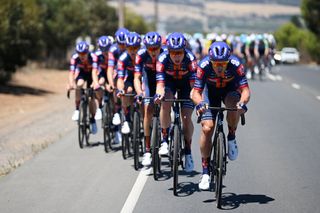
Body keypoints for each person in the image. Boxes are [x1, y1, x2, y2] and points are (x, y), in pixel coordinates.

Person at [191, 41, 250, 190]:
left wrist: (242, 103)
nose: (219, 67)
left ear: (228, 61)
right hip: (210, 93)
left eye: (222, 64)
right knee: (207, 128)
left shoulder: (236, 64)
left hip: (230, 91)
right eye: (216, 63)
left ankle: (231, 136)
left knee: (233, 105)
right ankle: (205, 172)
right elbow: (196, 92)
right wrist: (199, 104)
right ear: (211, 61)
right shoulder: (203, 66)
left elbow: (245, 91)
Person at [154, 32, 197, 172]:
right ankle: (165, 140)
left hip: (186, 85)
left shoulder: (191, 59)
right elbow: (160, 84)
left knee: (186, 117)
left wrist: (195, 97)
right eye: (173, 52)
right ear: (168, 51)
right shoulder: (162, 58)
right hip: (169, 84)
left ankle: (188, 152)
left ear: (184, 50)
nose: (176, 56)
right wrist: (159, 94)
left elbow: (193, 87)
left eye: (179, 52)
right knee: (165, 103)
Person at [134, 32, 163, 166]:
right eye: (150, 48)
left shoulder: (165, 54)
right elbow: (137, 77)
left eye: (155, 48)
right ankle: (147, 150)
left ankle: (166, 137)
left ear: (160, 46)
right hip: (148, 81)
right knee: (147, 110)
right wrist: (140, 92)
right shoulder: (141, 55)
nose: (153, 51)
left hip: (162, 81)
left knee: (165, 106)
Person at [67, 41, 98, 134]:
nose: (82, 56)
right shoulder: (74, 58)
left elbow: (94, 72)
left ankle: (92, 120)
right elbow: (71, 72)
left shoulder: (93, 57)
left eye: (84, 53)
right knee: (79, 85)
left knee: (91, 97)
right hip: (82, 73)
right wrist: (71, 83)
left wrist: (95, 83)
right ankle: (77, 109)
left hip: (92, 74)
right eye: (80, 53)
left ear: (88, 52)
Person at [107, 27, 129, 143]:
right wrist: (111, 84)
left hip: (129, 71)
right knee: (116, 82)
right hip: (118, 71)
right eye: (120, 44)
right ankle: (116, 109)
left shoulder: (131, 47)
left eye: (124, 44)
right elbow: (110, 69)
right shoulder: (113, 49)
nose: (122, 46)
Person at [116, 32, 141, 134]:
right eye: (130, 48)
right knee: (127, 91)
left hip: (144, 78)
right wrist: (121, 89)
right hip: (130, 78)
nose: (132, 51)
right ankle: (126, 119)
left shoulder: (143, 56)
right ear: (126, 48)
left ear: (139, 47)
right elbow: (120, 78)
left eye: (135, 48)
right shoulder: (123, 58)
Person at [92, 36, 112, 120]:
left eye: (106, 48)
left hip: (112, 73)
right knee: (99, 83)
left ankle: (116, 111)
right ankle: (99, 106)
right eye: (102, 48)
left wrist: (110, 84)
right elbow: (94, 70)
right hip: (103, 73)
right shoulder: (97, 55)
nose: (104, 51)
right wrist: (95, 82)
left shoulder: (113, 53)